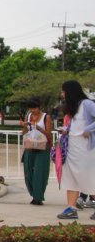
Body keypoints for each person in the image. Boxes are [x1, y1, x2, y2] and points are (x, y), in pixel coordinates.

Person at [56, 80, 95, 220]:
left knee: (88, 177)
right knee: (70, 177)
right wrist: (66, 131)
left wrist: (89, 130)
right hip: (73, 149)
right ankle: (71, 208)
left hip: (85, 150)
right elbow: (76, 125)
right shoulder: (74, 107)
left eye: (64, 91)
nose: (62, 94)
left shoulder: (87, 104)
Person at [19, 97, 52, 205]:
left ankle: (38, 197)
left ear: (39, 107)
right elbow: (24, 132)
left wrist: (39, 129)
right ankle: (33, 193)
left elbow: (48, 133)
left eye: (34, 108)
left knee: (40, 172)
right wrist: (24, 126)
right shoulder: (28, 116)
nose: (33, 110)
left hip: (42, 147)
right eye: (31, 108)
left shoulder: (46, 117)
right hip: (30, 146)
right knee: (28, 170)